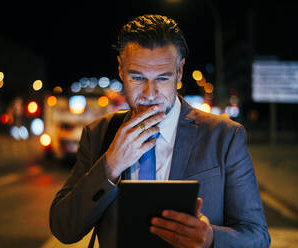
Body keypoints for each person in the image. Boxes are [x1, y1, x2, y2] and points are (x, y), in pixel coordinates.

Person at [49, 14, 271, 247]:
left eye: (162, 79)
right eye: (137, 77)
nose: (150, 93)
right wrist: (110, 166)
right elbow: (64, 228)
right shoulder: (98, 134)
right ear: (121, 69)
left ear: (180, 72)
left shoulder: (225, 137)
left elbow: (258, 236)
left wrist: (211, 238)